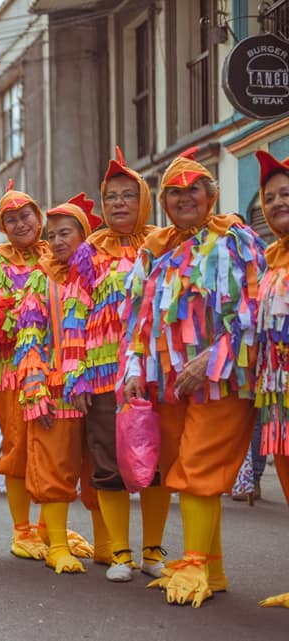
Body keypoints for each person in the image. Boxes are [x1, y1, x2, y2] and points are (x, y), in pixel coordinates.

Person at [122, 147, 266, 607]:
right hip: (169, 382)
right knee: (185, 465)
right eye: (175, 192)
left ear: (212, 194)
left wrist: (214, 356)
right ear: (163, 201)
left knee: (200, 468)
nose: (185, 198)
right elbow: (139, 317)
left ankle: (194, 563)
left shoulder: (237, 241)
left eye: (194, 189)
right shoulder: (157, 250)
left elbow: (253, 309)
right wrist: (132, 368)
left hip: (221, 377)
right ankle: (214, 569)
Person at [66, 146, 170, 582]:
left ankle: (154, 551)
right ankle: (121, 553)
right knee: (108, 463)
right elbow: (74, 314)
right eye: (111, 197)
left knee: (156, 464)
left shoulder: (164, 244)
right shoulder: (89, 251)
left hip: (152, 374)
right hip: (104, 375)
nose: (119, 204)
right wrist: (77, 377)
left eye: (128, 195)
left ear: (143, 199)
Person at [0, 180, 60, 560]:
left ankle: (46, 528)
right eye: (11, 220)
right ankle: (22, 530)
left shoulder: (57, 253)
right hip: (10, 372)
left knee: (54, 447)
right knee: (18, 448)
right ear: (2, 227)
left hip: (54, 369)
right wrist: (14, 308)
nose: (20, 224)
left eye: (26, 216)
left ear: (39, 217)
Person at [14, 193, 104, 574]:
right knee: (55, 466)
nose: (57, 241)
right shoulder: (41, 278)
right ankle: (57, 544)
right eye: (51, 236)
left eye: (66, 233)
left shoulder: (102, 272)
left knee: (101, 466)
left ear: (85, 235)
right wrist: (35, 390)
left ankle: (108, 544)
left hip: (99, 386)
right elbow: (28, 337)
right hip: (55, 391)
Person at [251, 150, 289, 609]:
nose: (278, 202)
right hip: (278, 396)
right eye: (272, 197)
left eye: (286, 194)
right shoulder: (270, 258)